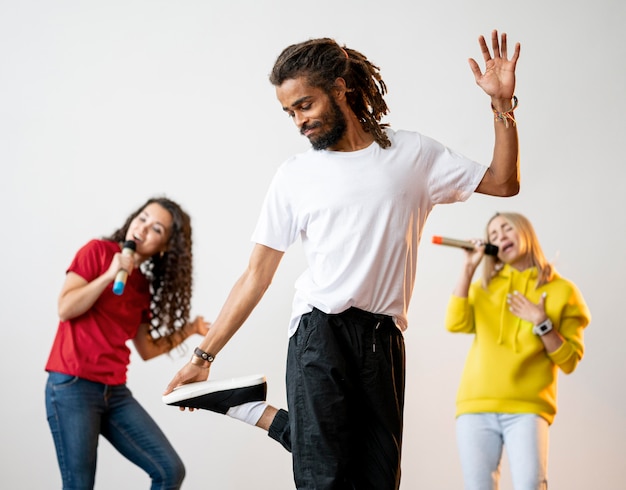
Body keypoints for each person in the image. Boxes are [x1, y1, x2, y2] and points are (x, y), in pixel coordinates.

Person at [164, 30, 521, 489]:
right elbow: (255, 276)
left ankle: (247, 406)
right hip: (320, 332)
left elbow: (504, 183)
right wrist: (203, 355)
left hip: (384, 340)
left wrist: (501, 106)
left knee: (376, 479)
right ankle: (245, 404)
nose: (298, 121)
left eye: (305, 105)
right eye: (289, 112)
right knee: (324, 478)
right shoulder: (296, 175)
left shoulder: (412, 154)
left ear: (339, 87)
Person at [45, 196, 210, 490]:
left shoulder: (141, 285)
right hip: (73, 386)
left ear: (165, 248)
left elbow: (146, 349)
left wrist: (191, 329)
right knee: (79, 485)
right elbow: (65, 308)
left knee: (169, 470)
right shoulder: (96, 251)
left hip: (114, 392)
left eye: (157, 229)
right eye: (143, 217)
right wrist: (110, 274)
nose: (144, 228)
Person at [445, 212, 591, 490]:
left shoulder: (563, 291)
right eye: (494, 236)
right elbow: (455, 323)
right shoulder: (485, 286)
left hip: (527, 409)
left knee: (529, 486)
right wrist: (468, 268)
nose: (501, 238)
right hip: (475, 406)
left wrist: (542, 323)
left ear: (525, 231)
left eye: (506, 229)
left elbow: (570, 361)